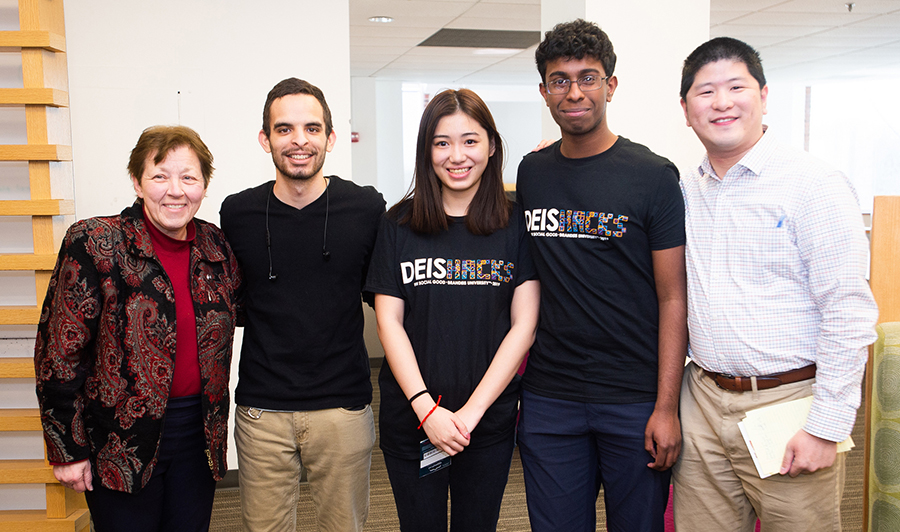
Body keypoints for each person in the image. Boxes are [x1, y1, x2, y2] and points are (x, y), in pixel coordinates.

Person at [673, 36, 879, 532]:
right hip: (701, 401)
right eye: (705, 92)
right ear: (685, 109)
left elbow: (849, 311)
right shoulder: (684, 187)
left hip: (789, 405)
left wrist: (826, 427)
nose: (721, 103)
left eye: (735, 87)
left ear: (764, 96)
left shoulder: (814, 184)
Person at [514, 19, 687, 532]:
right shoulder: (532, 172)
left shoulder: (653, 175)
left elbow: (673, 297)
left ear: (610, 85)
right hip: (550, 397)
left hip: (634, 399)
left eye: (588, 77)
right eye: (560, 80)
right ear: (544, 91)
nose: (575, 92)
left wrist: (667, 407)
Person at [34, 126, 241, 532]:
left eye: (189, 177)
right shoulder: (96, 242)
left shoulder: (215, 247)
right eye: (160, 176)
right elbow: (59, 352)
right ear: (137, 181)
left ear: (204, 185)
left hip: (198, 433)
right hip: (119, 439)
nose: (175, 190)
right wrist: (67, 450)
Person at [365, 88, 540, 532]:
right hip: (414, 421)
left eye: (470, 140)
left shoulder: (516, 224)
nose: (456, 155)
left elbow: (524, 325)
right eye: (442, 142)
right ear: (427, 150)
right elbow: (389, 322)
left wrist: (471, 414)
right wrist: (427, 410)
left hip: (486, 421)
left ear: (492, 146)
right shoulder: (397, 225)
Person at [219, 78, 385, 532]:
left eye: (312, 128)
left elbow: (390, 296)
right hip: (261, 412)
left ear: (330, 138)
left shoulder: (365, 207)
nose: (299, 140)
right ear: (265, 138)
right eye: (284, 128)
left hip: (342, 409)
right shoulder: (237, 214)